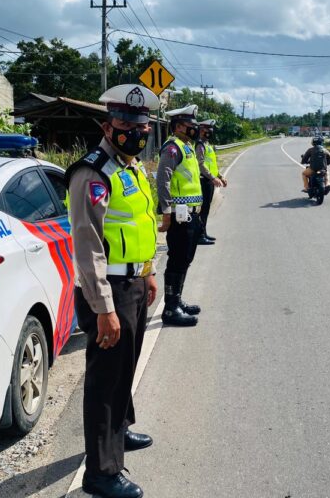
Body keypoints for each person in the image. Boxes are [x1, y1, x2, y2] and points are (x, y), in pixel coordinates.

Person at [65, 83, 159, 498]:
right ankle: (101, 474)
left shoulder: (131, 167)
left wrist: (149, 271)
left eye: (141, 125)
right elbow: (87, 246)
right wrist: (103, 307)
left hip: (134, 282)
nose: (135, 131)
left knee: (126, 368)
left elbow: (142, 223)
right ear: (107, 125)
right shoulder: (93, 172)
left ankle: (118, 435)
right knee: (106, 379)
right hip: (110, 291)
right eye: (125, 124)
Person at [157, 104, 203, 326]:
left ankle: (176, 300)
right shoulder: (172, 148)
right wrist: (166, 212)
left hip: (190, 215)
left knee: (185, 259)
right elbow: (163, 180)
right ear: (178, 127)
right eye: (190, 125)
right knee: (176, 261)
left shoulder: (188, 147)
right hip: (178, 215)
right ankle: (170, 308)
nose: (194, 128)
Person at [195, 119, 227, 245]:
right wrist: (213, 178)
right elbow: (201, 164)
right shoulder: (200, 145)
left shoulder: (207, 145)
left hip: (210, 180)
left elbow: (212, 165)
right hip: (204, 180)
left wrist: (220, 176)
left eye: (210, 129)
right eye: (207, 129)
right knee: (203, 209)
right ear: (201, 130)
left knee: (206, 209)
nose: (210, 132)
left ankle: (203, 232)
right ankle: (200, 235)